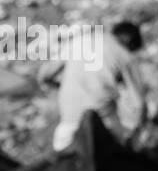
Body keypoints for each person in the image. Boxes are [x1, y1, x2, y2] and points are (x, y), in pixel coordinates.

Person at [43, 21, 148, 152]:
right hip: (104, 125)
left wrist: (62, 87)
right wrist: (138, 132)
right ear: (129, 41)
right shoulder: (124, 55)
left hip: (69, 124)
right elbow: (138, 103)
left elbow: (44, 76)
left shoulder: (79, 41)